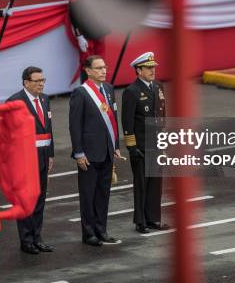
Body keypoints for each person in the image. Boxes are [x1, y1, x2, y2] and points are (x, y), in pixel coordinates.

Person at [69, 55, 124, 247]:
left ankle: (102, 230)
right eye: (99, 68)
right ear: (88, 70)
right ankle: (89, 233)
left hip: (107, 151)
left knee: (103, 194)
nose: (104, 71)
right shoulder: (80, 93)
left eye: (105, 67)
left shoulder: (108, 89)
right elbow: (74, 126)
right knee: (88, 195)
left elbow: (113, 118)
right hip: (89, 154)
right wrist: (79, 153)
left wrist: (115, 145)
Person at [7, 66, 55, 255]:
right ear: (26, 82)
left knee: (40, 200)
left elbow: (48, 129)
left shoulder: (45, 99)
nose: (41, 84)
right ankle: (26, 240)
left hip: (43, 157)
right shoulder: (15, 102)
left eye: (43, 80)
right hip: (25, 160)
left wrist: (50, 154)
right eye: (37, 81)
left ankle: (37, 238)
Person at [121, 52, 169, 234]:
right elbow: (127, 122)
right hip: (141, 146)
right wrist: (132, 147)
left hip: (157, 144)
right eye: (148, 68)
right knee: (142, 184)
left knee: (156, 183)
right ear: (138, 70)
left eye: (154, 67)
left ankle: (153, 218)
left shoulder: (158, 87)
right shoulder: (131, 91)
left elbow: (162, 116)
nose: (153, 70)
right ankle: (140, 221)